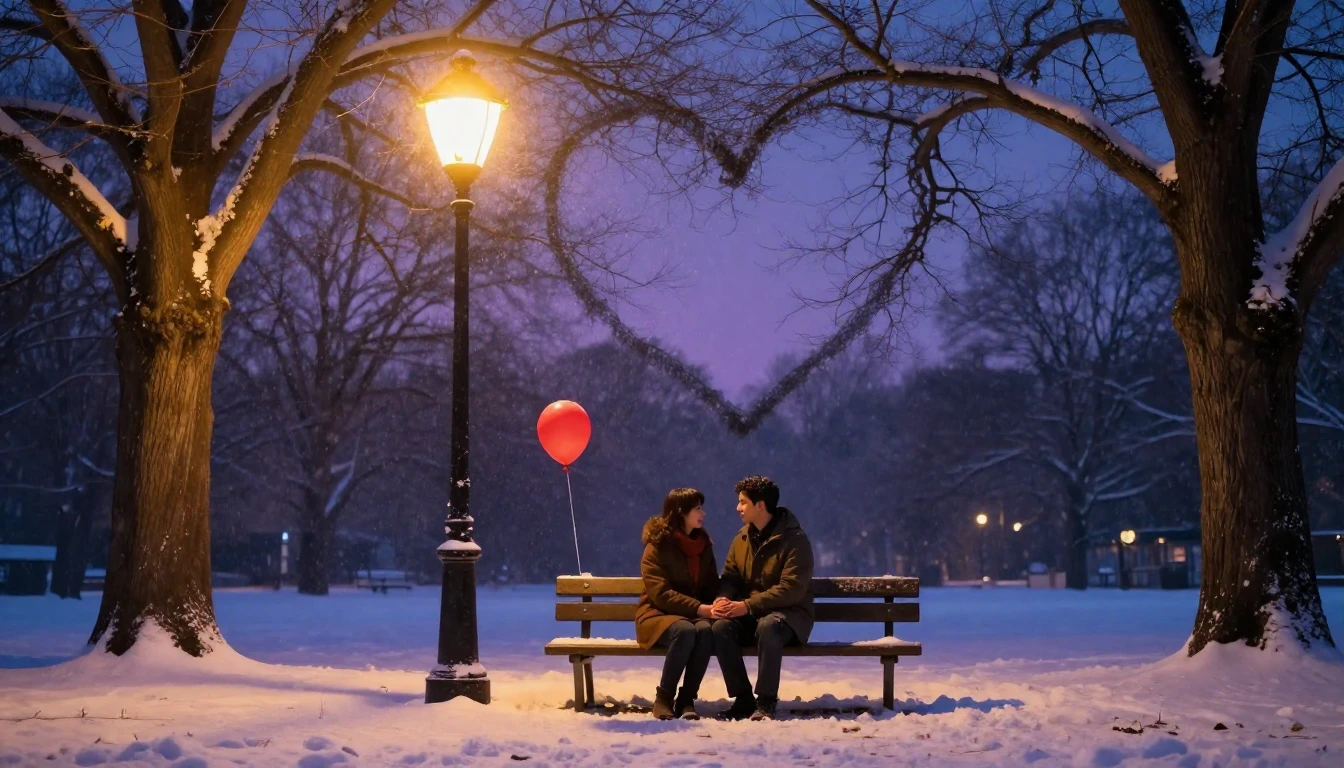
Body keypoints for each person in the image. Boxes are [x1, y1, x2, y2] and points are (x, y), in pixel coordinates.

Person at [711, 475, 815, 721]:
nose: (738, 508)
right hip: (753, 614)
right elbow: (731, 578)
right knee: (721, 627)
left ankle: (766, 701)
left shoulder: (794, 540)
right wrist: (723, 598)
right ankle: (743, 699)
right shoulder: (742, 538)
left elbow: (791, 588)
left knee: (769, 627)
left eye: (743, 502)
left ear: (760, 505)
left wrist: (747, 605)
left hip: (789, 616)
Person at [635, 488, 720, 720]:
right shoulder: (658, 545)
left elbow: (711, 584)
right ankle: (663, 699)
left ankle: (686, 700)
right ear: (681, 512)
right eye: (697, 509)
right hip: (657, 615)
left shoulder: (703, 545)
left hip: (692, 617)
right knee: (684, 630)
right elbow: (660, 594)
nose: (703, 513)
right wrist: (699, 608)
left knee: (704, 631)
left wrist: (719, 601)